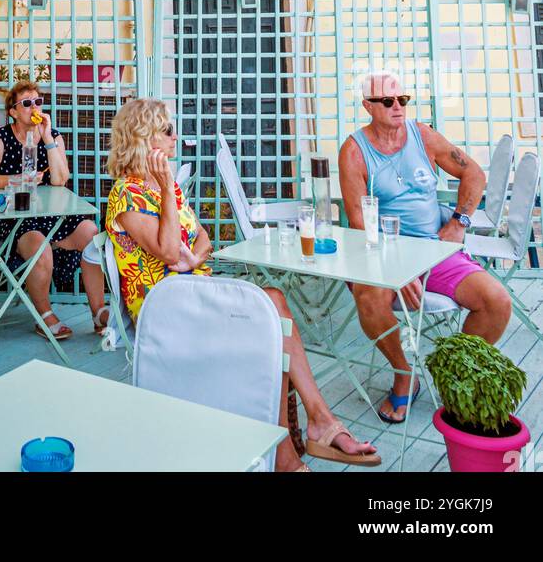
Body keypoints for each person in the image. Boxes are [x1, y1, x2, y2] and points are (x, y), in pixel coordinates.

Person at [106, 99, 380, 472]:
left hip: (195, 294)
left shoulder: (161, 186)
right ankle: (304, 440)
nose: (175, 137)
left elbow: (202, 238)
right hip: (165, 312)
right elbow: (170, 250)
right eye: (167, 131)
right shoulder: (127, 194)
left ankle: (310, 432)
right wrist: (170, 199)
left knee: (274, 305)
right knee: (270, 316)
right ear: (142, 138)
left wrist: (193, 258)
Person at [339, 70, 512, 425]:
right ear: (367, 106)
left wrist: (458, 222)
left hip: (437, 250)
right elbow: (359, 223)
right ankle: (404, 373)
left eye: (403, 99)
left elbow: (474, 174)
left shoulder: (423, 136)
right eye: (387, 101)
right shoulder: (354, 151)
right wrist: (394, 270)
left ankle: (453, 375)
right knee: (369, 297)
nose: (398, 107)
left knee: (497, 301)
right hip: (384, 253)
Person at [0, 79, 107, 340]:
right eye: (27, 103)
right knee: (40, 248)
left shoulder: (53, 136)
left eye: (38, 102)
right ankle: (44, 314)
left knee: (92, 234)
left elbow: (60, 179)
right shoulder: (3, 137)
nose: (34, 107)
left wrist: (47, 137)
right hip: (17, 216)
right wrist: (15, 180)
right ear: (13, 111)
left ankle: (98, 312)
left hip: (52, 214)